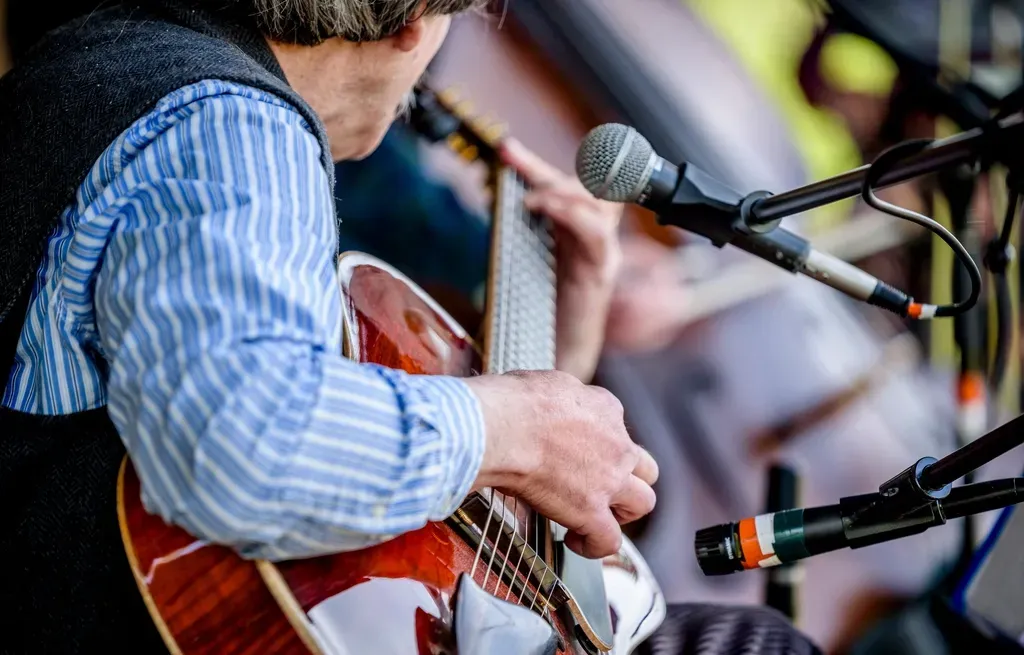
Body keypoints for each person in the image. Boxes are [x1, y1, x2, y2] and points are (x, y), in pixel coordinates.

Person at [0, 0, 820, 652]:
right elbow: (247, 445)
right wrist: (517, 427)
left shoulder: (109, 48)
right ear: (413, 22)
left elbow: (397, 525)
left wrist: (553, 371)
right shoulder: (238, 130)